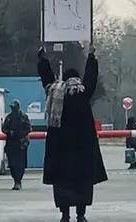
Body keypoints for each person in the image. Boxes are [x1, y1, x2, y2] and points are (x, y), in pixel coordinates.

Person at [37, 42, 108, 222]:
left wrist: (42, 58)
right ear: (77, 79)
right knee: (82, 183)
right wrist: (91, 57)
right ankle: (81, 215)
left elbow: (46, 77)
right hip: (82, 150)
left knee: (62, 183)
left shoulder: (54, 92)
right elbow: (91, 77)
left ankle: (65, 215)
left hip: (60, 152)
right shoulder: (83, 93)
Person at [2, 99, 31, 190]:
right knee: (12, 164)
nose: (13, 109)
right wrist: (9, 132)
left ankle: (18, 181)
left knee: (20, 164)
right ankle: (15, 180)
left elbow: (29, 128)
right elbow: (4, 128)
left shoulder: (24, 117)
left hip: (21, 143)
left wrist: (21, 133)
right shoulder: (9, 117)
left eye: (14, 107)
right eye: (12, 108)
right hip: (11, 143)